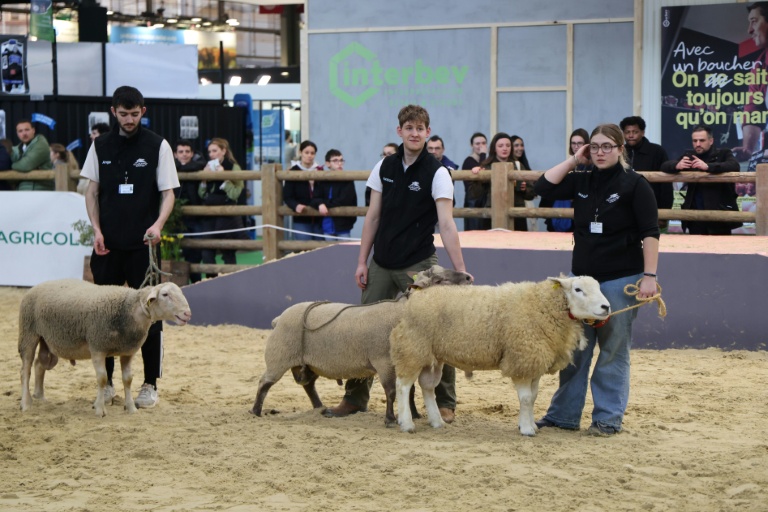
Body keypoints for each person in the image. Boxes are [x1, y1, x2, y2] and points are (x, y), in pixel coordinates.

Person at [323, 104, 470, 424]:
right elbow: (373, 216)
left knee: (435, 331)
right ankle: (355, 398)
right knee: (365, 331)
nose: (415, 133)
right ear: (399, 131)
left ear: (428, 133)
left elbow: (446, 224)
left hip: (419, 263)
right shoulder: (384, 167)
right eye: (409, 127)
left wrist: (458, 271)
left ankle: (446, 402)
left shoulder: (439, 172)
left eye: (420, 128)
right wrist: (362, 261)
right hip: (381, 262)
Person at [534, 123, 660, 436]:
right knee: (575, 349)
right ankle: (563, 415)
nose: (600, 152)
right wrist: (575, 160)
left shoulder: (635, 184)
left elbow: (651, 233)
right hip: (583, 282)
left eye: (606, 146)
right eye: (594, 146)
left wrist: (649, 276)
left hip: (621, 279)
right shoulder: (581, 179)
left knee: (613, 349)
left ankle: (607, 419)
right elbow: (542, 187)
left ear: (620, 149)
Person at [81, 85, 179, 409]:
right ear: (113, 112)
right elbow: (91, 193)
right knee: (103, 317)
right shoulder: (99, 146)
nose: (129, 119)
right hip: (107, 246)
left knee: (150, 316)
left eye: (134, 114)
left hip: (144, 247)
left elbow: (168, 193)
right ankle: (107, 384)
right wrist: (96, 230)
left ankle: (150, 383)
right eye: (123, 114)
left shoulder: (157, 145)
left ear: (143, 112)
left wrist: (158, 226)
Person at [660, 124, 742, 235]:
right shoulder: (689, 155)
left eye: (702, 140)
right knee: (695, 251)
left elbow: (734, 165)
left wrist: (708, 167)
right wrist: (676, 165)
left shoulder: (723, 153)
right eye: (695, 141)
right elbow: (664, 166)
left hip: (719, 215)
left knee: (720, 251)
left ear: (711, 141)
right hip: (695, 217)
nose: (698, 144)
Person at [199, 137, 246, 270]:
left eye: (215, 151)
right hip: (209, 214)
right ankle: (211, 281)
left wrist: (224, 176)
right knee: (206, 252)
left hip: (227, 215)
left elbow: (235, 194)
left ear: (223, 151)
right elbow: (201, 194)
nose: (211, 154)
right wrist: (203, 179)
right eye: (210, 152)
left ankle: (231, 284)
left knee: (228, 252)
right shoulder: (207, 167)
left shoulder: (234, 167)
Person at [620, 116, 671, 231]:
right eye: (627, 132)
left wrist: (664, 213)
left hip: (652, 209)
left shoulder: (657, 151)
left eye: (635, 132)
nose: (631, 135)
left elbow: (666, 185)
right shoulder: (619, 153)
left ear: (642, 132)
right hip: (623, 212)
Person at [470, 132, 530, 231]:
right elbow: (474, 194)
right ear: (494, 148)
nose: (505, 148)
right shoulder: (486, 166)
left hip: (517, 214)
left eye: (508, 145)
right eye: (500, 146)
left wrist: (525, 189)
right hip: (492, 214)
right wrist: (478, 177)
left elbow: (531, 193)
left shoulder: (518, 165)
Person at [733, 2, 768, 161]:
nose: (750, 30)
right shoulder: (759, 66)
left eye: (754, 21)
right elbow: (754, 110)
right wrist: (747, 148)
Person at [541, 128, 590, 232]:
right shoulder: (567, 165)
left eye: (579, 143)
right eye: (573, 143)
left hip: (580, 218)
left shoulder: (591, 166)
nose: (576, 146)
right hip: (560, 213)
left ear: (586, 145)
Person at [174, 139, 206, 283]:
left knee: (196, 251)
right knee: (176, 251)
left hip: (196, 216)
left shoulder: (198, 165)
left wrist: (182, 168)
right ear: (175, 154)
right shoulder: (171, 166)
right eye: (181, 152)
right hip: (176, 216)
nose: (184, 154)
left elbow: (201, 164)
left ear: (192, 153)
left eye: (187, 152)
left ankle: (196, 282)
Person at [311, 149, 357, 239]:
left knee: (345, 252)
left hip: (343, 225)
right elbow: (314, 199)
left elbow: (344, 201)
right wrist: (320, 204)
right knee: (329, 252)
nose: (339, 163)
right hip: (326, 225)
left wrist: (323, 204)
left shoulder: (348, 180)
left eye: (341, 160)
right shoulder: (322, 180)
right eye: (335, 160)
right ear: (327, 163)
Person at [283, 140, 324, 240]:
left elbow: (324, 192)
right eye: (306, 152)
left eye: (312, 153)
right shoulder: (293, 171)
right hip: (301, 217)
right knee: (304, 249)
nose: (309, 155)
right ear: (300, 153)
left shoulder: (320, 171)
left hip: (319, 217)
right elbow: (287, 196)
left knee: (321, 250)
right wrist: (295, 205)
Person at [11, 119, 53, 190]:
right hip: (21, 192)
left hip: (42, 191)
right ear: (17, 134)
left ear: (33, 130)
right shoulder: (16, 149)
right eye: (20, 131)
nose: (24, 133)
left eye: (27, 130)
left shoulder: (41, 142)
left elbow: (26, 165)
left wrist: (11, 166)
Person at [510, 135, 538, 231]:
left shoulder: (522, 164)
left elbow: (532, 189)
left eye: (521, 145)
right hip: (517, 206)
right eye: (516, 145)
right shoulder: (513, 165)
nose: (520, 148)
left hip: (527, 204)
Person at [461, 132, 488, 231]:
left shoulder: (486, 159)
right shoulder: (468, 161)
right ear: (471, 145)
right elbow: (481, 173)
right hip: (473, 202)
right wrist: (483, 154)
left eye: (483, 143)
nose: (481, 146)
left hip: (485, 202)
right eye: (477, 143)